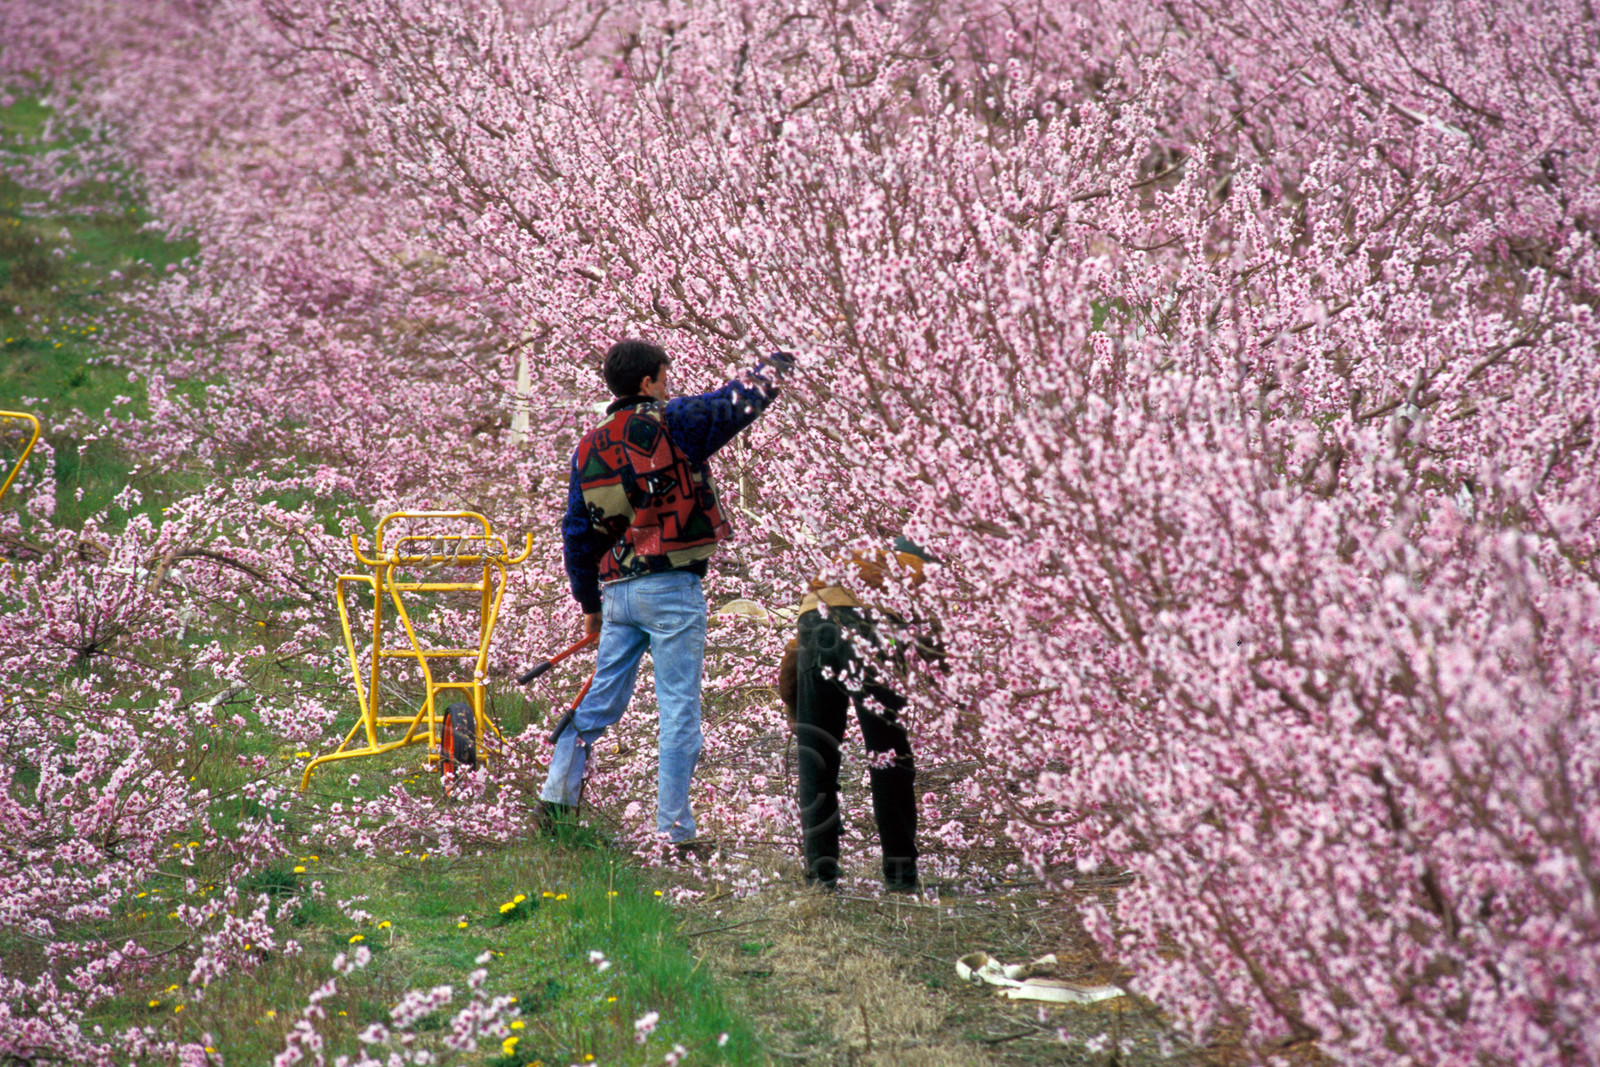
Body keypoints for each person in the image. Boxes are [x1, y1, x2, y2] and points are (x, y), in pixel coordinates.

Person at [540, 339, 790, 844]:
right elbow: (739, 399)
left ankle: (555, 801)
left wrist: (589, 603)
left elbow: (576, 530)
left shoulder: (589, 446)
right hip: (673, 587)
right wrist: (783, 358)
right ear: (648, 383)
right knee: (679, 712)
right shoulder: (676, 422)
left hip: (618, 593)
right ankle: (674, 832)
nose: (669, 384)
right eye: (665, 376)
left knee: (600, 705)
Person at [778, 539, 942, 893]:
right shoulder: (920, 570)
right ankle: (900, 876)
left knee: (817, 759)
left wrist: (796, 711)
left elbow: (794, 653)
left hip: (815, 624)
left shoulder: (849, 559)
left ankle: (821, 876)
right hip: (874, 628)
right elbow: (936, 648)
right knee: (888, 758)